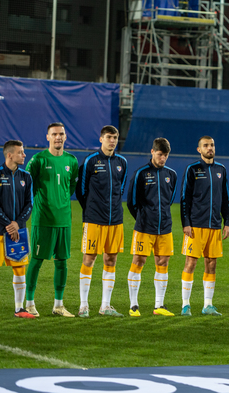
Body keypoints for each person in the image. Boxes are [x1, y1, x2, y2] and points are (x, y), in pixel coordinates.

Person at [25, 122, 79, 317]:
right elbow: (26, 185)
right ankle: (29, 303)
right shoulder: (38, 160)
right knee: (37, 260)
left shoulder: (72, 161)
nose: (58, 137)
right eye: (54, 134)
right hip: (43, 219)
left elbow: (71, 188)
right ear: (47, 137)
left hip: (64, 219)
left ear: (65, 137)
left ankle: (58, 305)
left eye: (61, 134)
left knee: (62, 262)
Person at [76, 126, 127, 318]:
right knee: (89, 259)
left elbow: (120, 189)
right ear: (101, 139)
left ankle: (105, 305)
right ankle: (83, 306)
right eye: (109, 137)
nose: (112, 141)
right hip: (94, 219)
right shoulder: (90, 161)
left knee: (111, 259)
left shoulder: (122, 162)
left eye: (115, 137)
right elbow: (80, 190)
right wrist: (91, 209)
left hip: (116, 220)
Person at [180, 136, 229, 316]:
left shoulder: (221, 169)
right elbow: (185, 198)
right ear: (199, 149)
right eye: (206, 146)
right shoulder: (192, 169)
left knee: (211, 264)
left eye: (212, 145)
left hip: (214, 226)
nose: (210, 148)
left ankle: (207, 305)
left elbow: (225, 198)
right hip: (196, 226)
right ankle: (185, 304)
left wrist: (227, 221)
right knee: (191, 262)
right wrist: (186, 223)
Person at [126, 138, 177, 317]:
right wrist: (143, 218)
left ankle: (159, 305)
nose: (162, 158)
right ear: (152, 152)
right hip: (144, 228)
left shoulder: (172, 174)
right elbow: (132, 202)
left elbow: (169, 200)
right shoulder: (140, 173)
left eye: (166, 155)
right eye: (160, 154)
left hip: (165, 228)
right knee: (138, 261)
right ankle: (134, 306)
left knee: (163, 263)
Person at [0, 141, 34, 319]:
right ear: (9, 155)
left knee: (20, 269)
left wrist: (17, 224)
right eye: (21, 152)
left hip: (18, 232)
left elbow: (30, 204)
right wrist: (8, 224)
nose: (24, 155)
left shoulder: (26, 177)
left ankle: (19, 309)